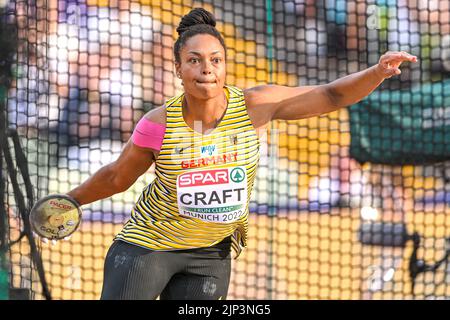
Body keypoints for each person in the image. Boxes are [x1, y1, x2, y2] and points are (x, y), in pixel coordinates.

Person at [46, 8, 417, 300]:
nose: (206, 69)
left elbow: (332, 95)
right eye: (194, 60)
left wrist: (377, 72)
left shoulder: (255, 105)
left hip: (211, 255)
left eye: (215, 60)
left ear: (225, 65)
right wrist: (70, 201)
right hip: (149, 248)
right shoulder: (157, 123)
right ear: (178, 68)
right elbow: (117, 177)